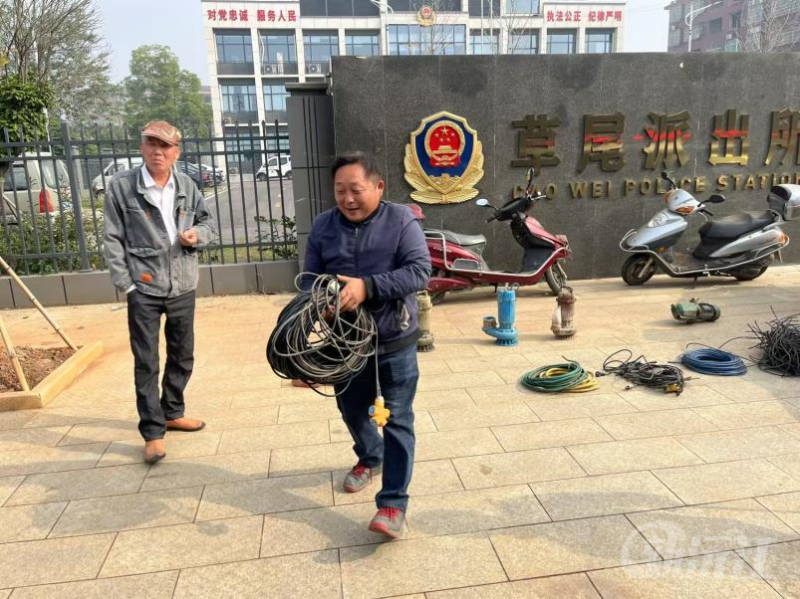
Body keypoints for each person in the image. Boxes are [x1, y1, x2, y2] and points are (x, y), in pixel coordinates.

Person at [303, 152, 430, 538]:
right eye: (340, 190)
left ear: (378, 187)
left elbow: (419, 271)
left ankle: (393, 504)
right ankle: (370, 456)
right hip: (346, 342)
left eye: (356, 190)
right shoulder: (323, 226)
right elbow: (309, 279)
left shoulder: (402, 221)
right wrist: (323, 300)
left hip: (394, 339)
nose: (347, 199)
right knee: (352, 409)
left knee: (397, 418)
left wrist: (367, 287)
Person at [103, 120, 216, 464]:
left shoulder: (187, 185)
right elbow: (112, 238)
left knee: (183, 354)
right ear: (141, 148)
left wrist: (198, 235)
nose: (158, 151)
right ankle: (153, 432)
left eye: (165, 146)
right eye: (151, 144)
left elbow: (207, 223)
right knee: (147, 361)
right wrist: (127, 284)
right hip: (144, 288)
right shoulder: (122, 187)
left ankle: (172, 411)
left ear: (176, 152)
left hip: (183, 284)